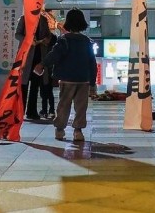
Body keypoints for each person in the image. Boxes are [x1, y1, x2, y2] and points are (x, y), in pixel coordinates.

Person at [37, 9, 97, 143]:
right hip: (83, 80)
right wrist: (92, 82)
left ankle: (60, 130)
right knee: (81, 107)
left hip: (67, 79)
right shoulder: (87, 41)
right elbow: (92, 62)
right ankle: (78, 131)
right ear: (82, 23)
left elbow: (54, 55)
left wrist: (42, 64)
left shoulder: (64, 40)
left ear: (68, 22)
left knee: (64, 105)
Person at [16, 13, 51, 120]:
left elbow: (48, 35)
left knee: (35, 86)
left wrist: (46, 40)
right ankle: (20, 111)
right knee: (23, 85)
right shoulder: (24, 18)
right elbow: (17, 34)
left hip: (39, 56)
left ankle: (32, 111)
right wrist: (28, 40)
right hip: (26, 56)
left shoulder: (44, 19)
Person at [40, 29, 58, 118]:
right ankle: (48, 110)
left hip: (48, 73)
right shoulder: (51, 47)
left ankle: (47, 110)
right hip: (46, 73)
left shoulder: (51, 48)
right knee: (46, 92)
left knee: (46, 92)